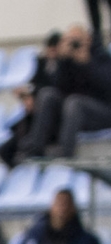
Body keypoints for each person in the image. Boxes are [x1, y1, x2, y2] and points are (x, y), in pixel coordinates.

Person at [26, 24, 111, 159]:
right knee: (47, 94)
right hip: (73, 115)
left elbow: (107, 86)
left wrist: (87, 63)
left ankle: (65, 152)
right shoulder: (67, 60)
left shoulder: (100, 55)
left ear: (88, 39)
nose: (74, 44)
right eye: (69, 41)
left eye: (77, 40)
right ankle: (36, 148)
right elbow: (58, 88)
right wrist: (61, 61)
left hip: (101, 112)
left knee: (74, 102)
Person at [2, 32, 66, 168]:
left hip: (55, 114)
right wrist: (26, 94)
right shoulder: (42, 63)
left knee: (46, 97)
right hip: (37, 114)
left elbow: (60, 89)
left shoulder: (66, 64)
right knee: (5, 150)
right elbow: (35, 83)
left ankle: (35, 145)